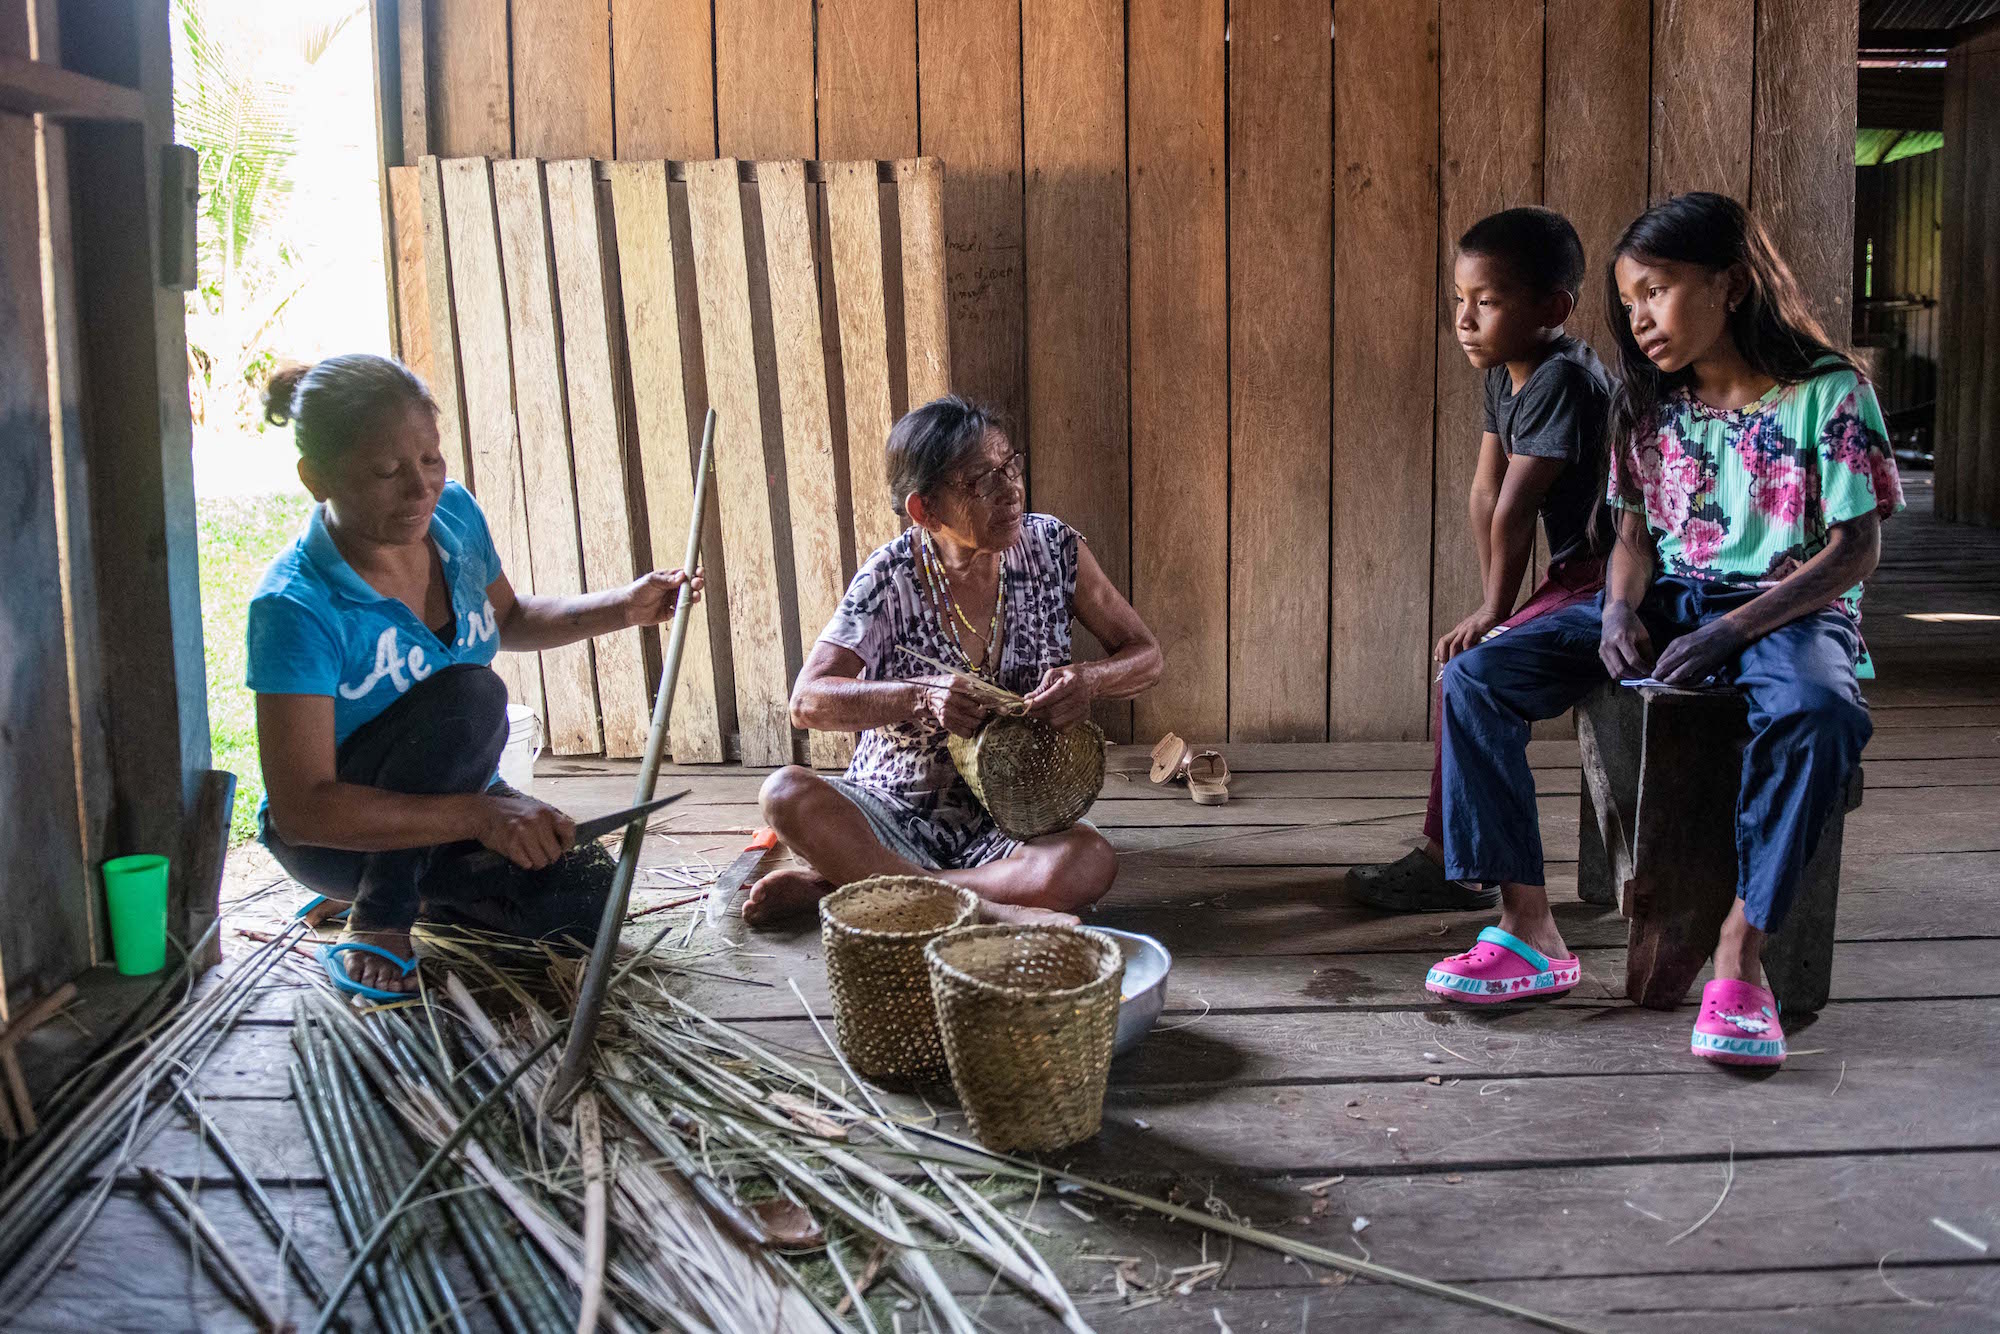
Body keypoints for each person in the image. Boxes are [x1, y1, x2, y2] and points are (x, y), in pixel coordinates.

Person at [1424, 192, 1902, 1070]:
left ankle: (1739, 958)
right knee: (1476, 678)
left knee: (1821, 713)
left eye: (1658, 289)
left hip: (1791, 607)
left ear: (1732, 284)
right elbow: (1635, 536)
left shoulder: (1827, 392)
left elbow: (1854, 551)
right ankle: (1528, 929)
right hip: (1670, 596)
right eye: (1630, 299)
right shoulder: (1648, 400)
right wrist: (1612, 609)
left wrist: (1732, 633)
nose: (1640, 317)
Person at [247, 355, 703, 998]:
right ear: (315, 478)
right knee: (470, 699)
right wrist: (482, 815)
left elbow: (509, 618)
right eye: (386, 471)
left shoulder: (454, 518)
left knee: (581, 896)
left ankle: (415, 897)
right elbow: (301, 811)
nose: (420, 490)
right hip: (341, 836)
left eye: (431, 460)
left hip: (447, 807)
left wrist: (623, 607)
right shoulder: (294, 606)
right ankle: (379, 916)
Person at [741, 396, 1164, 927]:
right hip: (891, 808)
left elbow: (1147, 656)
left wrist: (1091, 680)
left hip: (1010, 818)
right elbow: (808, 701)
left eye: (1010, 465)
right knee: (784, 793)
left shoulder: (1053, 548)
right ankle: (985, 910)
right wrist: (919, 696)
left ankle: (859, 888)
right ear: (925, 510)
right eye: (980, 482)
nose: (1010, 490)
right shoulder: (890, 577)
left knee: (1089, 862)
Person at [1349, 206, 1613, 913]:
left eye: (1487, 302)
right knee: (1462, 667)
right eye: (1460, 300)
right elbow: (1484, 490)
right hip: (1574, 576)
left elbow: (1517, 509)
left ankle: (1460, 867)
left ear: (1552, 307)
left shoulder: (1564, 380)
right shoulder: (1506, 373)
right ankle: (1450, 855)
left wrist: (1497, 610)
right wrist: (1491, 605)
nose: (1464, 319)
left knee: (1472, 669)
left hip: (1610, 580)